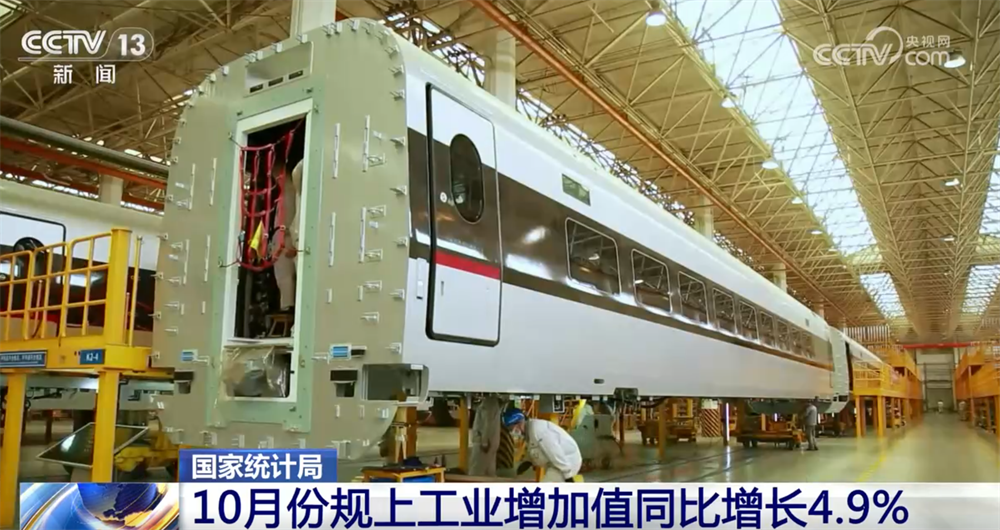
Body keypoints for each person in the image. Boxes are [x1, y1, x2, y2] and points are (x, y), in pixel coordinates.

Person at [502, 408, 582, 482]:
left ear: (519, 423)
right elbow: (534, 448)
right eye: (509, 429)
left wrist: (568, 476)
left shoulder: (538, 430)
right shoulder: (529, 431)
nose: (512, 431)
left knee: (545, 489)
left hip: (567, 462)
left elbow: (555, 452)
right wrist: (528, 461)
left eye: (511, 428)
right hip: (556, 465)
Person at [272, 157, 302, 315]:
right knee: (282, 275)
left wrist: (291, 242)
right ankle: (286, 304)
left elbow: (292, 218)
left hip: (286, 238)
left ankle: (288, 306)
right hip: (281, 237)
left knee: (286, 275)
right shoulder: (284, 193)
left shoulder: (291, 192)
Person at [469, 396, 503, 477]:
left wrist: (484, 442)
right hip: (488, 441)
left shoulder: (489, 403)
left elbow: (488, 423)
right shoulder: (492, 403)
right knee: (489, 471)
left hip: (484, 443)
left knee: (476, 470)